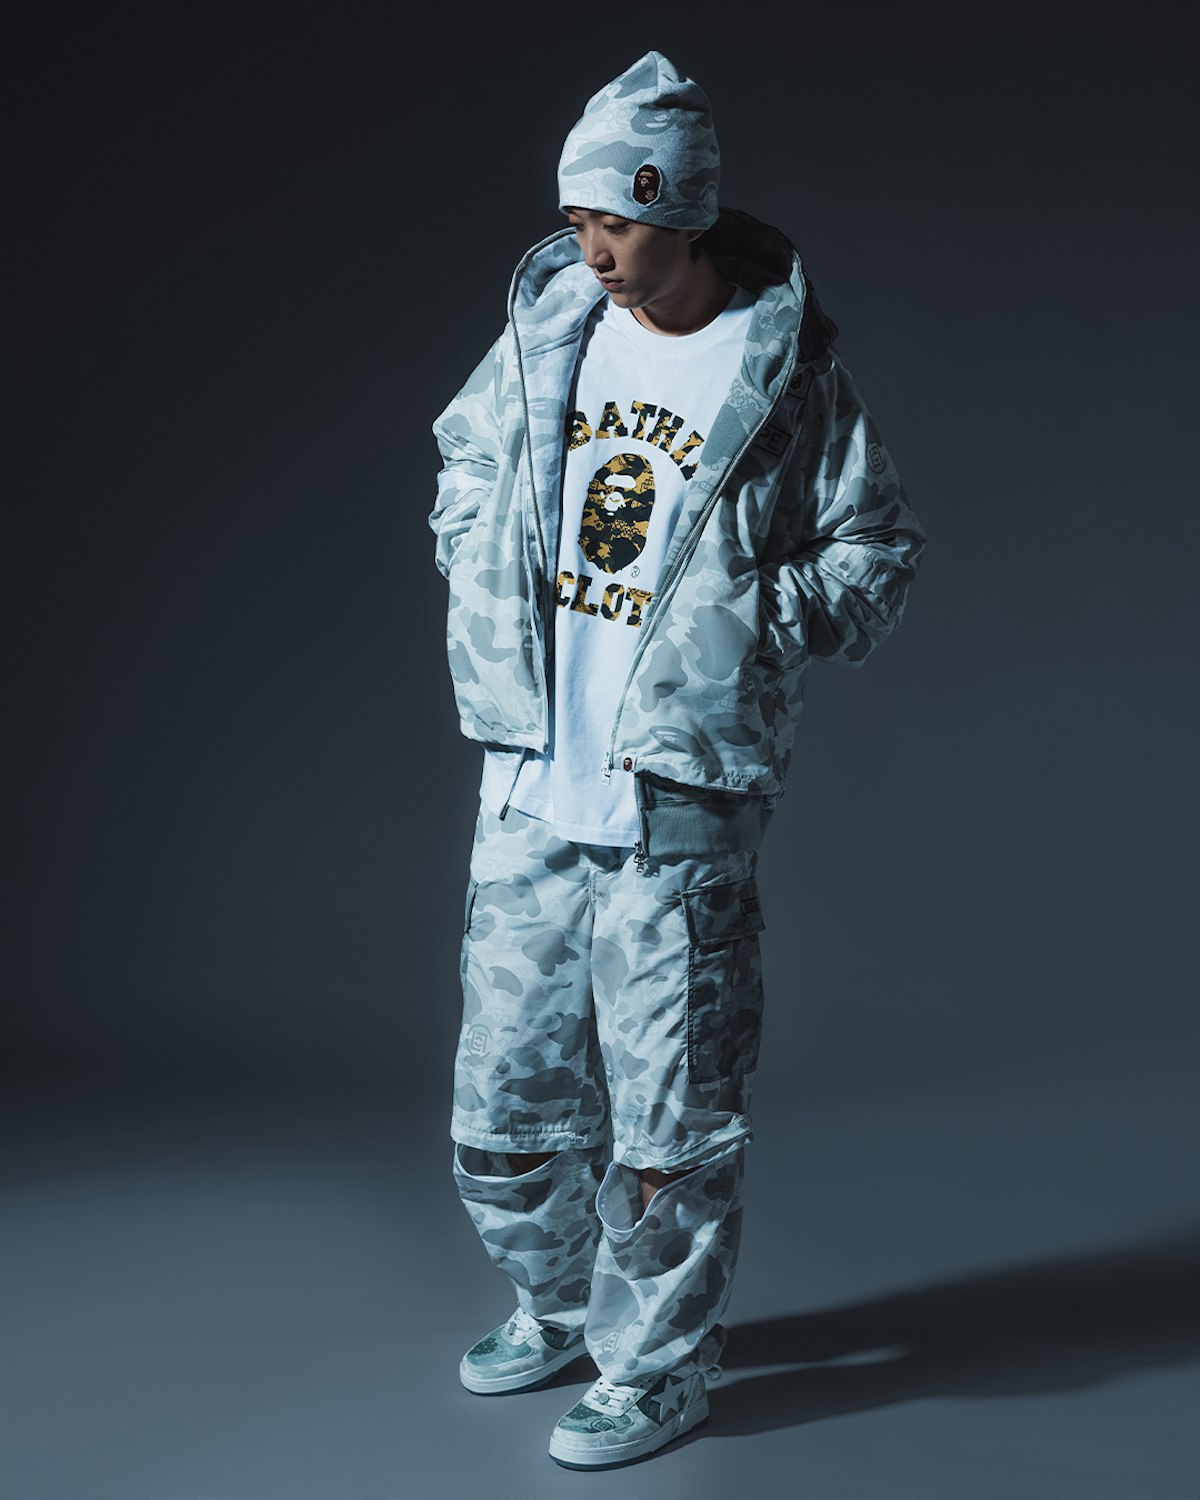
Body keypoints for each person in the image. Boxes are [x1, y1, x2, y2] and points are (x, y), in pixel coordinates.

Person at [428, 51, 924, 1470]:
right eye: (578, 222)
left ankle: (658, 1368)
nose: (596, 251)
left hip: (681, 799)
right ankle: (557, 1306)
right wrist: (476, 560)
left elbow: (877, 552)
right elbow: (465, 459)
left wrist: (751, 618)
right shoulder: (548, 335)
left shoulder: (782, 374)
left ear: (685, 214)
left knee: (670, 1120)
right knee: (502, 1111)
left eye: (621, 224)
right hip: (531, 782)